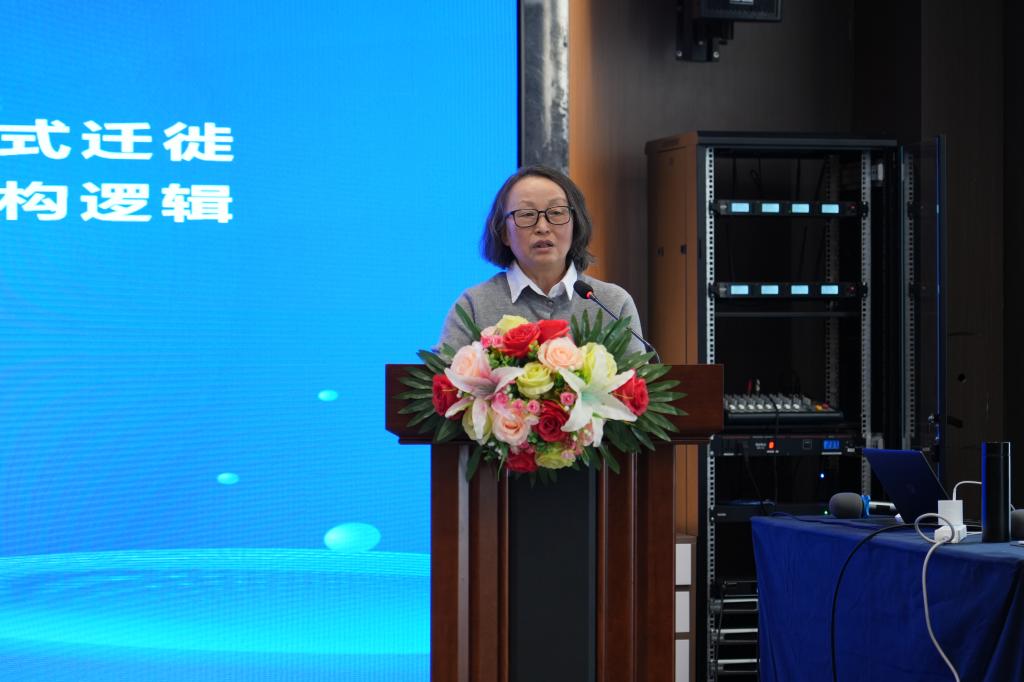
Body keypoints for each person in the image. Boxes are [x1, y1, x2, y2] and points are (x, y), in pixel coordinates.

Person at [438, 164, 646, 355]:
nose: (543, 227)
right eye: (526, 214)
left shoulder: (613, 303)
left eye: (556, 212)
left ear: (575, 225)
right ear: (504, 232)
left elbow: (638, 382)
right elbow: (440, 380)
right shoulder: (473, 306)